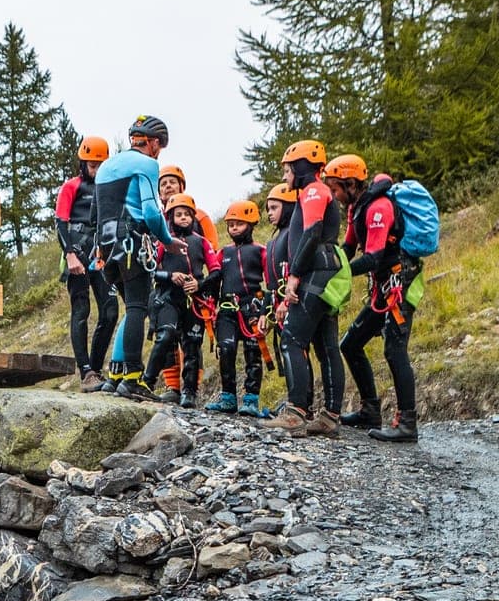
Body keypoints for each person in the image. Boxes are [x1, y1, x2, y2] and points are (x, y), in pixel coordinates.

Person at [91, 115, 175, 401]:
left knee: (130, 310)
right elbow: (151, 210)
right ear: (152, 142)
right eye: (159, 147)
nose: (158, 152)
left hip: (106, 248)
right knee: (138, 308)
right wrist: (167, 241)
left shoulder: (105, 167)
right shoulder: (146, 164)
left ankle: (115, 376)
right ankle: (133, 378)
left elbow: (95, 214)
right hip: (131, 243)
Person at [338, 172, 423, 442]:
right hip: (382, 288)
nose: (334, 195)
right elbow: (348, 249)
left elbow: (372, 258)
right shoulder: (356, 210)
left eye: (336, 188)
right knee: (350, 343)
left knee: (394, 348)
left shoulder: (379, 207)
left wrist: (338, 274)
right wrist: (326, 264)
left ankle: (407, 423)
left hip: (400, 283)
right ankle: (370, 411)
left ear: (351, 184)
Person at [271, 140, 347, 437]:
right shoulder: (316, 190)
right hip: (323, 270)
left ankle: (296, 413)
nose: (285, 175)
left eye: (288, 168)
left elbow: (312, 232)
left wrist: (295, 275)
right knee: (325, 345)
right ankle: (329, 417)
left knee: (292, 338)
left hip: (316, 270)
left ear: (302, 166)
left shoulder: (314, 190)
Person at [54, 136, 118, 391]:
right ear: (83, 163)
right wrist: (69, 253)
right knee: (81, 310)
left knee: (111, 311)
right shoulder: (72, 186)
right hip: (78, 250)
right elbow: (60, 221)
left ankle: (96, 367)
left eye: (100, 165)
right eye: (92, 165)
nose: (96, 169)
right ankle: (86, 372)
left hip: (102, 253)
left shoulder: (109, 189)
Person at [144, 190, 213, 407]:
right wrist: (170, 276)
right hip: (168, 296)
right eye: (178, 214)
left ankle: (190, 392)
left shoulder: (201, 242)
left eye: (187, 214)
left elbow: (216, 270)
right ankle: (147, 382)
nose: (183, 218)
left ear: (193, 217)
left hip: (194, 299)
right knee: (166, 336)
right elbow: (151, 269)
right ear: (171, 218)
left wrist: (199, 284)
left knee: (192, 344)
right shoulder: (163, 242)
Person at [203, 199, 270, 415]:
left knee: (253, 352)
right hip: (227, 308)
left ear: (251, 224)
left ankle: (251, 400)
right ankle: (228, 398)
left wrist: (265, 310)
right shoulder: (223, 253)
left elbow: (270, 282)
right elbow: (215, 280)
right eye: (231, 225)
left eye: (239, 224)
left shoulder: (261, 251)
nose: (234, 228)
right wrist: (211, 305)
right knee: (227, 349)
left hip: (251, 306)